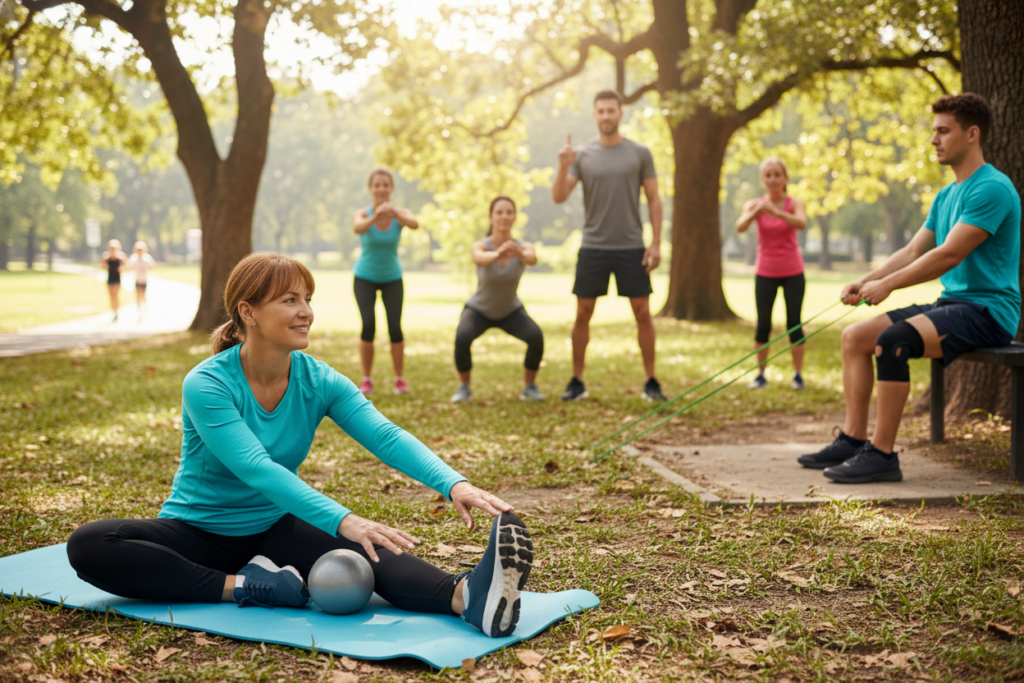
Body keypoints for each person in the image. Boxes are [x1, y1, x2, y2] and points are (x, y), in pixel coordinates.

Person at [66, 253, 535, 638]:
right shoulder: (207, 383)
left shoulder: (318, 379)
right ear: (247, 312)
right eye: (289, 300)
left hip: (273, 528)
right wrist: (344, 519)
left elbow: (385, 434)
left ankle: (470, 598)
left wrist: (455, 485)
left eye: (307, 299)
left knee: (367, 549)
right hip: (197, 533)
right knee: (89, 544)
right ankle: (247, 585)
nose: (305, 310)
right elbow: (256, 467)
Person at [798, 93, 1021, 484]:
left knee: (893, 341)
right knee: (854, 337)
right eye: (933, 131)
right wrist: (868, 280)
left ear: (971, 134)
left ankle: (883, 456)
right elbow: (914, 249)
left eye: (942, 131)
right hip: (953, 304)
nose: (933, 139)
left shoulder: (993, 189)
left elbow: (949, 255)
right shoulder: (946, 194)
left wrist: (887, 286)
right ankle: (853, 440)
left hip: (988, 312)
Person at [552, 90, 666, 402]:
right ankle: (576, 381)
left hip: (632, 246)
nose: (606, 116)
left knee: (643, 313)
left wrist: (655, 243)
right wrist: (563, 166)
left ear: (620, 114)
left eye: (611, 111)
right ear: (594, 115)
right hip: (593, 246)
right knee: (583, 313)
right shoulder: (583, 156)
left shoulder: (639, 153)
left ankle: (651, 381)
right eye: (600, 111)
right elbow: (559, 196)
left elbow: (654, 198)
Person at [451, 196, 545, 403]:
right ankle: (464, 388)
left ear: (514, 217)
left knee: (535, 336)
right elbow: (479, 258)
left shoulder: (523, 247)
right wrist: (498, 253)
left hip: (510, 310)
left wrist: (518, 253)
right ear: (491, 217)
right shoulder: (481, 246)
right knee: (462, 338)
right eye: (499, 212)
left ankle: (529, 387)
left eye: (509, 212)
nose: (504, 216)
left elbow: (532, 258)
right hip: (479, 310)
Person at [735, 158, 809, 390]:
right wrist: (755, 212)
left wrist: (777, 213)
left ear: (785, 178)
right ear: (762, 180)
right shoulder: (754, 204)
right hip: (765, 271)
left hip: (793, 271)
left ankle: (797, 375)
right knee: (763, 324)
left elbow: (801, 223)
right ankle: (760, 375)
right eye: (768, 175)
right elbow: (740, 226)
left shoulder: (794, 203)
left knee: (793, 323)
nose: (773, 179)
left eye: (777, 174)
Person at [352, 168, 419, 396]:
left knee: (395, 328)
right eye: (377, 185)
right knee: (368, 325)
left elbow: (414, 223)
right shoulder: (363, 213)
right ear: (370, 189)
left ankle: (399, 379)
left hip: (392, 277)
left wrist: (395, 214)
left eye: (385, 185)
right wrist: (375, 216)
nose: (381, 189)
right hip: (364, 277)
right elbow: (357, 227)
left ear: (391, 189)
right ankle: (367, 379)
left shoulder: (399, 215)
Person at [128, 241, 157, 321]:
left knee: (143, 295)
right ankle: (139, 311)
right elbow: (129, 266)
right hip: (137, 279)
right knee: (138, 295)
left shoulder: (147, 257)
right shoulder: (133, 258)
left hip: (144, 280)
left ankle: (144, 308)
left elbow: (153, 265)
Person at [100, 239, 127, 322]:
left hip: (117, 279)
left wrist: (122, 268)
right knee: (111, 297)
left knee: (116, 296)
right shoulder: (106, 257)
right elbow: (103, 267)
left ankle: (117, 312)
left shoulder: (121, 257)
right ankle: (114, 312)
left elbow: (126, 266)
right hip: (109, 279)